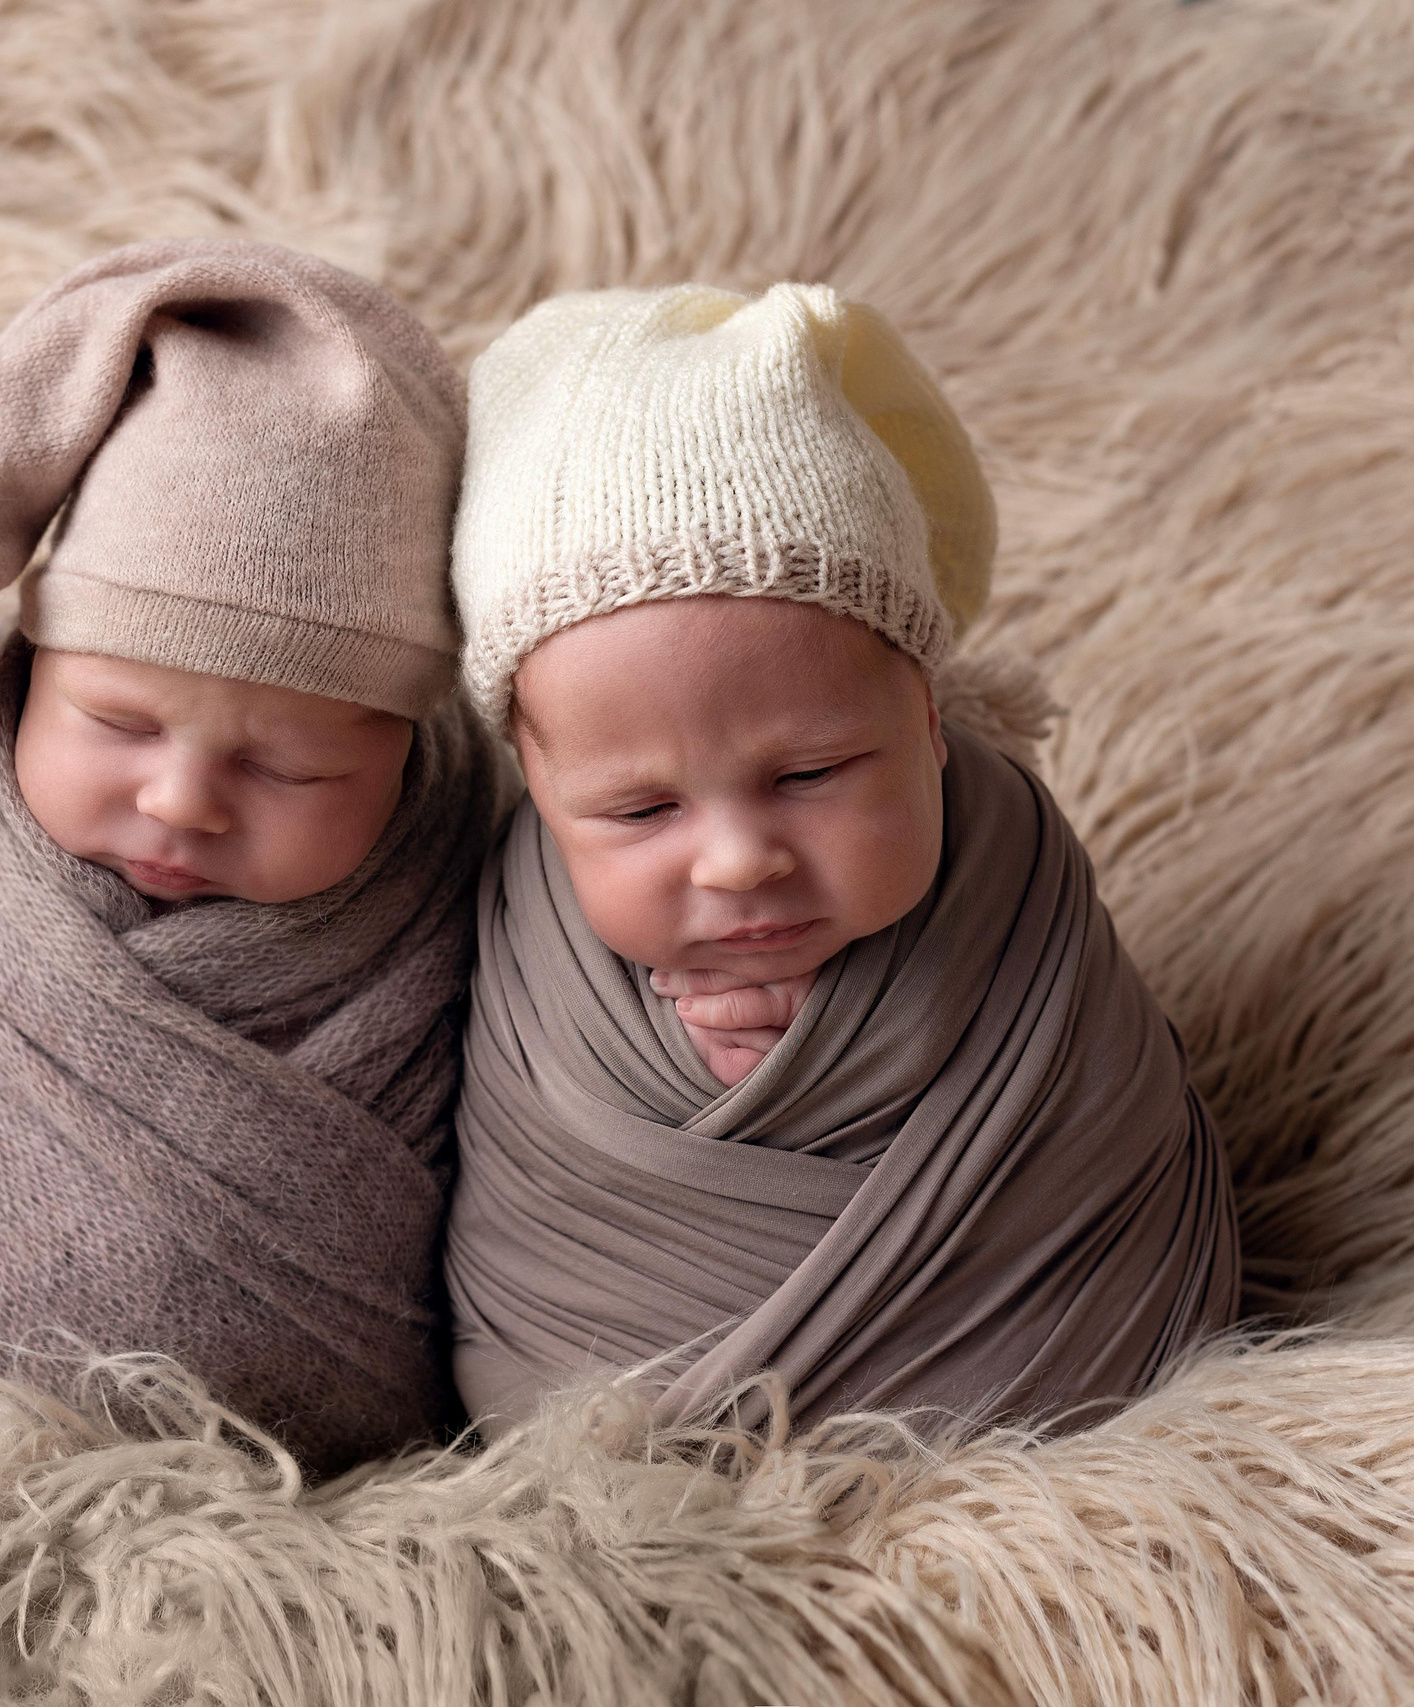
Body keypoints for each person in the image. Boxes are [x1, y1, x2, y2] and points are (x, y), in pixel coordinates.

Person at [0, 238, 501, 1474]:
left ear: (406, 752)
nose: (181, 800)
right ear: (34, 668)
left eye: (290, 769)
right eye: (117, 724)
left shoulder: (469, 868)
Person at [443, 281, 1240, 1435]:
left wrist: (856, 1044)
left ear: (928, 720)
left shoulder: (1011, 875)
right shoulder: (519, 923)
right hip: (611, 1372)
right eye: (638, 810)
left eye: (809, 777)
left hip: (1055, 1336)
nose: (737, 860)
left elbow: (1094, 1112)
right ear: (537, 786)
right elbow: (526, 1190)